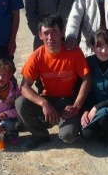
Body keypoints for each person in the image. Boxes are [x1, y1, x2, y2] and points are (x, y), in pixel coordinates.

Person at [15, 14, 91, 150]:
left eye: (54, 32)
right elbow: (24, 87)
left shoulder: (73, 51)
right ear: (40, 35)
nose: (50, 38)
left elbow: (87, 79)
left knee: (68, 137)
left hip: (69, 102)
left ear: (62, 32)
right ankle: (40, 134)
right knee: (20, 102)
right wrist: (43, 103)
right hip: (48, 99)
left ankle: (59, 121)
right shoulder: (37, 56)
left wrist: (77, 106)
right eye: (46, 33)